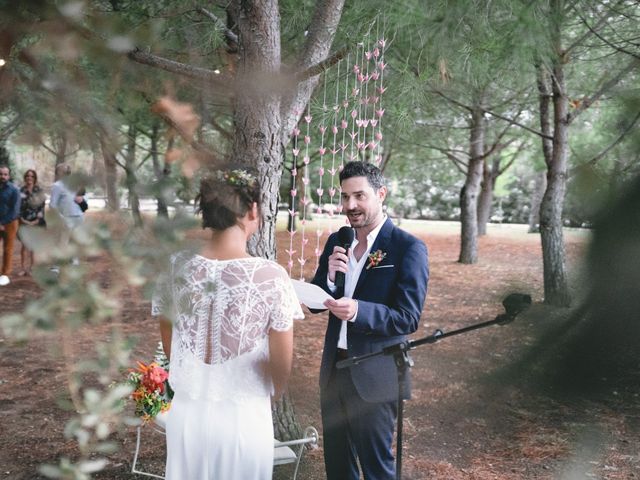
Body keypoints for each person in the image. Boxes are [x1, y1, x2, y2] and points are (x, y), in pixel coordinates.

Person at [152, 167, 303, 480]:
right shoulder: (272, 277)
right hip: (243, 420)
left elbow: (170, 345)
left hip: (188, 419)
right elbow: (281, 366)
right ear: (252, 210)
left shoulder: (175, 266)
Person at [310, 161, 429, 480]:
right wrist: (331, 279)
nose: (350, 206)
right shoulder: (339, 238)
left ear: (381, 194)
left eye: (359, 196)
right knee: (337, 467)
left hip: (375, 377)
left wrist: (360, 310)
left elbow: (408, 317)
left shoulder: (407, 248)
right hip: (334, 373)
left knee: (376, 468)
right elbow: (317, 304)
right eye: (345, 196)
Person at [49, 163, 85, 267]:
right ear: (58, 173)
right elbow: (52, 205)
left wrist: (82, 200)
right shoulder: (57, 186)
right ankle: (56, 267)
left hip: (78, 217)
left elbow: (83, 198)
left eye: (68, 170)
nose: (66, 172)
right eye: (63, 170)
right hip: (66, 218)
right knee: (61, 243)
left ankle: (74, 261)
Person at [18, 169, 46, 275]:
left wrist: (36, 220)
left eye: (32, 176)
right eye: (27, 176)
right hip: (23, 221)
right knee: (24, 245)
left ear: (35, 178)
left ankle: (32, 267)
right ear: (25, 178)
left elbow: (41, 207)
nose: (29, 178)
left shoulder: (39, 191)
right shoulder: (21, 191)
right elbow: (18, 207)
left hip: (36, 222)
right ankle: (22, 268)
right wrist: (22, 220)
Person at [0, 165, 21, 286]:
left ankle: (5, 274)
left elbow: (15, 210)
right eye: (1, 174)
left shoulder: (14, 189)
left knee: (8, 248)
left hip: (10, 223)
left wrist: (2, 223)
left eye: (5, 174)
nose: (2, 176)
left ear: (9, 175)